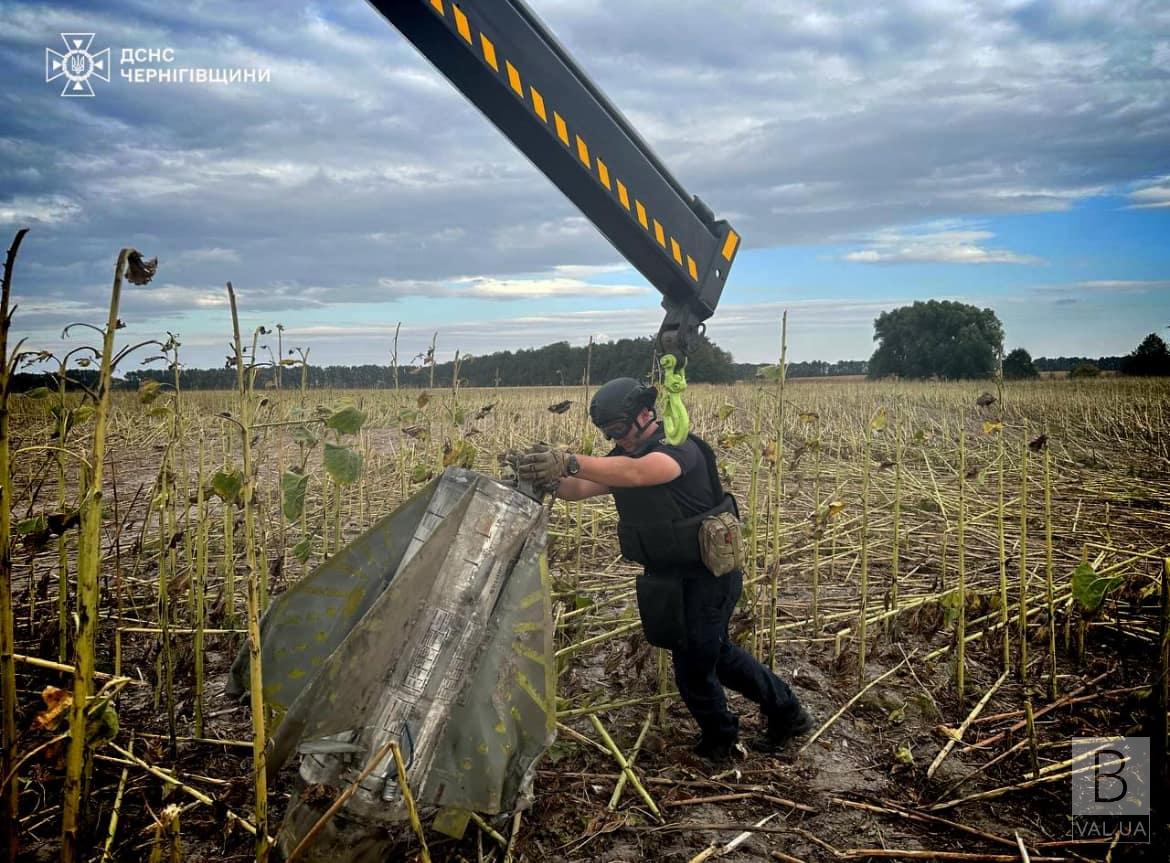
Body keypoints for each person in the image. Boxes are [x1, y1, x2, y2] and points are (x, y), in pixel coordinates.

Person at [518, 377, 812, 760]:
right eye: (608, 432)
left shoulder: (679, 448)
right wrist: (542, 477)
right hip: (669, 576)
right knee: (712, 655)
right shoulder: (621, 459)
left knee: (695, 664)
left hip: (709, 576)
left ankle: (723, 741)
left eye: (620, 430)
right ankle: (784, 714)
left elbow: (639, 474)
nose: (616, 438)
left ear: (646, 414)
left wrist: (570, 461)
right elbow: (579, 488)